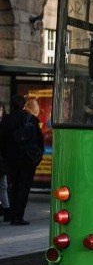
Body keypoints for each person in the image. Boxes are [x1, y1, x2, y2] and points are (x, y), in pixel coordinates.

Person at [0, 95, 44, 225]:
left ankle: (11, 214)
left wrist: (5, 156)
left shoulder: (6, 120)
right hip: (27, 159)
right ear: (24, 105)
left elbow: (1, 141)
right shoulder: (30, 119)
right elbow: (39, 140)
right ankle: (18, 216)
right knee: (23, 188)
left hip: (11, 159)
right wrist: (37, 156)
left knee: (12, 186)